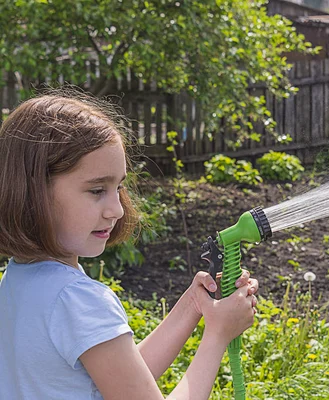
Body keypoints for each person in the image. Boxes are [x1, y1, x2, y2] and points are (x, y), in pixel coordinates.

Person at [0, 92, 259, 400]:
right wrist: (217, 335)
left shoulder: (19, 279)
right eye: (97, 190)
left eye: (118, 187)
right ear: (33, 193)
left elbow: (121, 380)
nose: (117, 209)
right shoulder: (78, 301)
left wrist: (193, 304)